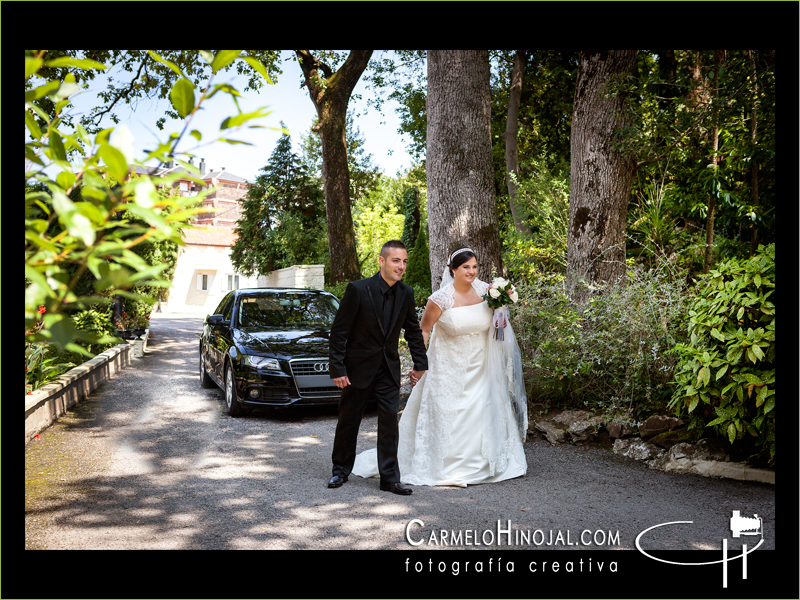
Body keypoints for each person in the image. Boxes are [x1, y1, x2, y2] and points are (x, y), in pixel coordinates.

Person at [351, 246, 528, 487]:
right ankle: (444, 465)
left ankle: (487, 462)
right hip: (449, 366)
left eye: (475, 267)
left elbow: (498, 327)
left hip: (483, 365)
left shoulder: (488, 291)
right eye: (466, 267)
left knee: (482, 411)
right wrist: (419, 363)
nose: (472, 271)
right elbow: (422, 330)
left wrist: (500, 316)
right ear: (453, 270)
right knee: (450, 414)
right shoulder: (440, 298)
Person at [327, 240, 429, 495]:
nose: (401, 266)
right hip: (356, 369)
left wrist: (420, 364)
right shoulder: (358, 290)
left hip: (388, 369)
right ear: (382, 261)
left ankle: (389, 479)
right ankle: (340, 470)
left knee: (389, 423)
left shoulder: (406, 293)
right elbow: (339, 333)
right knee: (349, 421)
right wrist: (338, 369)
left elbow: (414, 331)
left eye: (404, 261)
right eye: (396, 261)